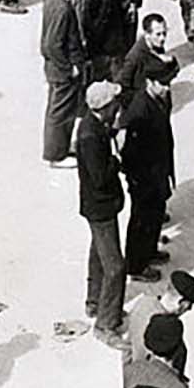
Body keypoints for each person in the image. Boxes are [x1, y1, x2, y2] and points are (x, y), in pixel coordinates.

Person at [76, 80, 129, 348]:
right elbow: (100, 176)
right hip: (101, 207)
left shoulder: (93, 126)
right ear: (104, 107)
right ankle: (106, 324)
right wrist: (116, 159)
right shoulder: (90, 136)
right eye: (114, 103)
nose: (118, 106)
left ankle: (94, 302)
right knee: (116, 267)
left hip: (98, 206)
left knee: (98, 253)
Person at [119, 50, 177, 279]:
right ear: (150, 82)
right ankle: (136, 265)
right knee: (142, 219)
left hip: (157, 171)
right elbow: (129, 150)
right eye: (162, 84)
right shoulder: (140, 108)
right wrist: (139, 179)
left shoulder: (158, 99)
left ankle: (150, 251)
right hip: (144, 177)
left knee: (155, 214)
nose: (167, 88)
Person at [41, 0, 85, 164]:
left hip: (54, 69)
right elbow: (52, 44)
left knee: (59, 110)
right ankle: (56, 155)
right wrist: (70, 68)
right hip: (63, 71)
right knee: (60, 113)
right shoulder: (64, 9)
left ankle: (60, 148)